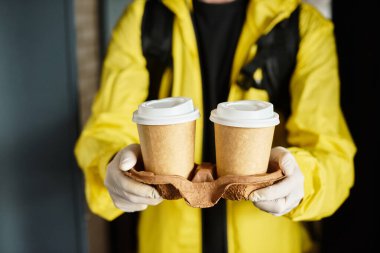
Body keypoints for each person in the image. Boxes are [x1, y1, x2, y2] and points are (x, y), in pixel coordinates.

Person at [74, 0, 356, 252]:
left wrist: (301, 180)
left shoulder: (303, 26)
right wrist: (110, 165)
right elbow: (106, 129)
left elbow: (331, 154)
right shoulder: (144, 18)